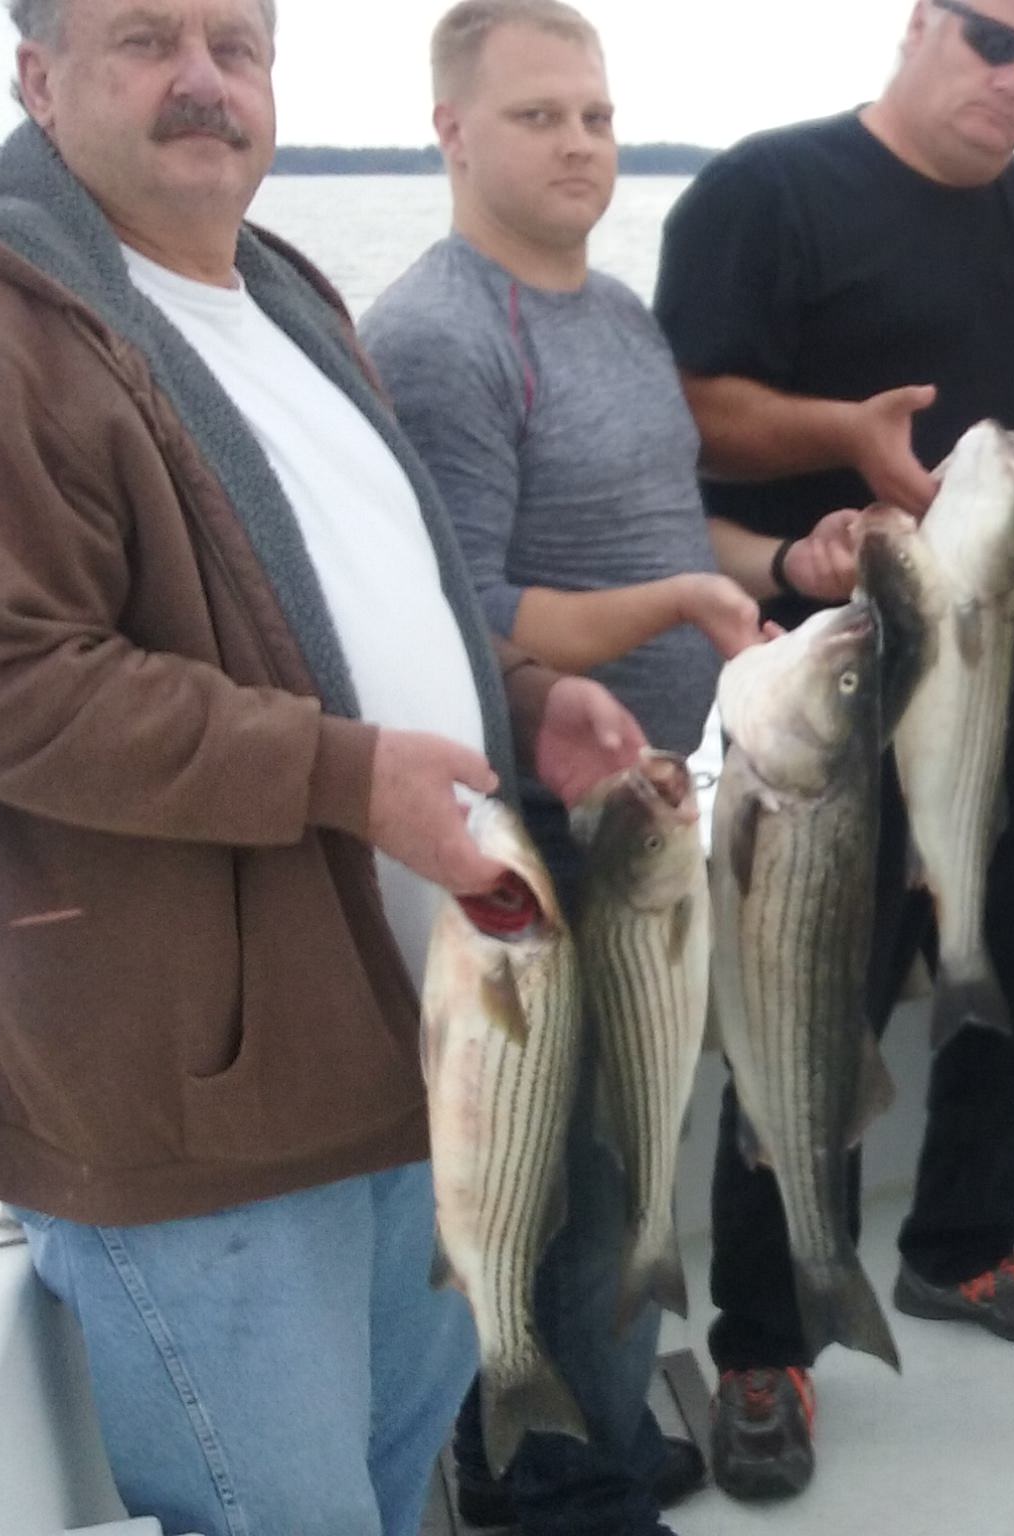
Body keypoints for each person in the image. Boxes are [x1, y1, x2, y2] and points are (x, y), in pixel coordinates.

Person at [0, 1, 648, 1532]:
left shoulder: (278, 292)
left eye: (233, 42)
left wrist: (519, 703)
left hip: (408, 1052)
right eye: (144, 38)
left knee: (389, 1496)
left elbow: (352, 591)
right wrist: (341, 773)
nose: (203, 79)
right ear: (36, 80)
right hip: (200, 1126)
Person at [653, 0, 1014, 1502]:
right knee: (809, 1027)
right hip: (829, 713)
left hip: (1003, 689)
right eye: (992, 38)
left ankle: (959, 1247)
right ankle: (765, 1345)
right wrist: (843, 437)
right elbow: (693, 406)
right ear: (918, 21)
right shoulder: (765, 193)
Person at [360, 3, 754, 1530]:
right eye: (538, 116)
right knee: (576, 1176)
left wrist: (786, 551)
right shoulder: (440, 333)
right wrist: (670, 609)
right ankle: (550, 1486)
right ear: (451, 131)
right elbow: (466, 607)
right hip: (541, 828)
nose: (581, 141)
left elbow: (667, 524)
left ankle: (594, 1418)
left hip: (648, 803)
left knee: (635, 1143)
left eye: (594, 113)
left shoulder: (619, 311)